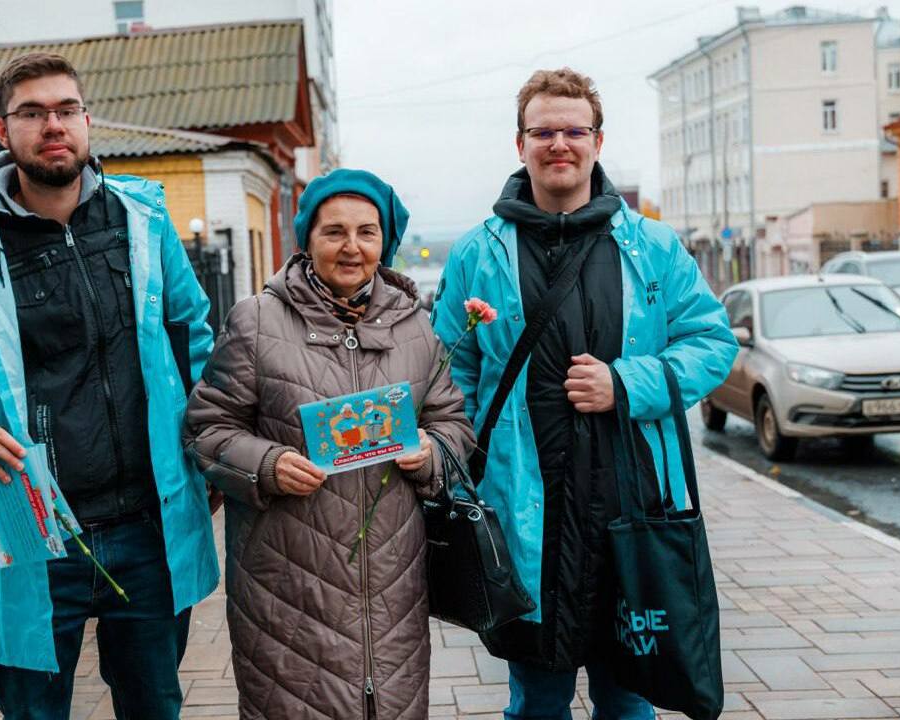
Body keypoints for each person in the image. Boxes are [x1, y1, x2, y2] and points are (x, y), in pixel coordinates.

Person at [0, 52, 218, 719]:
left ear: (87, 122)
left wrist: (215, 450)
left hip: (148, 529)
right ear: (3, 130)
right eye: (33, 113)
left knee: (155, 704)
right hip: (37, 532)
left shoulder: (144, 224)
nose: (53, 125)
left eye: (66, 110)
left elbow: (197, 342)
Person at [431, 68, 738, 719]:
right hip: (522, 515)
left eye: (574, 130)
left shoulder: (650, 247)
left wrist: (626, 382)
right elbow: (445, 378)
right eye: (544, 131)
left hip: (631, 511)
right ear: (521, 145)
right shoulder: (475, 255)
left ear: (598, 141)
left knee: (628, 700)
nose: (559, 144)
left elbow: (713, 344)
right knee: (536, 701)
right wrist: (448, 471)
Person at [184, 168, 475, 719]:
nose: (351, 247)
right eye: (333, 232)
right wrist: (267, 465)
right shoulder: (257, 321)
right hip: (288, 590)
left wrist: (432, 452)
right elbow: (207, 429)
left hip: (393, 588)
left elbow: (453, 422)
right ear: (306, 238)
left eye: (367, 232)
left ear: (384, 242)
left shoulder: (415, 326)